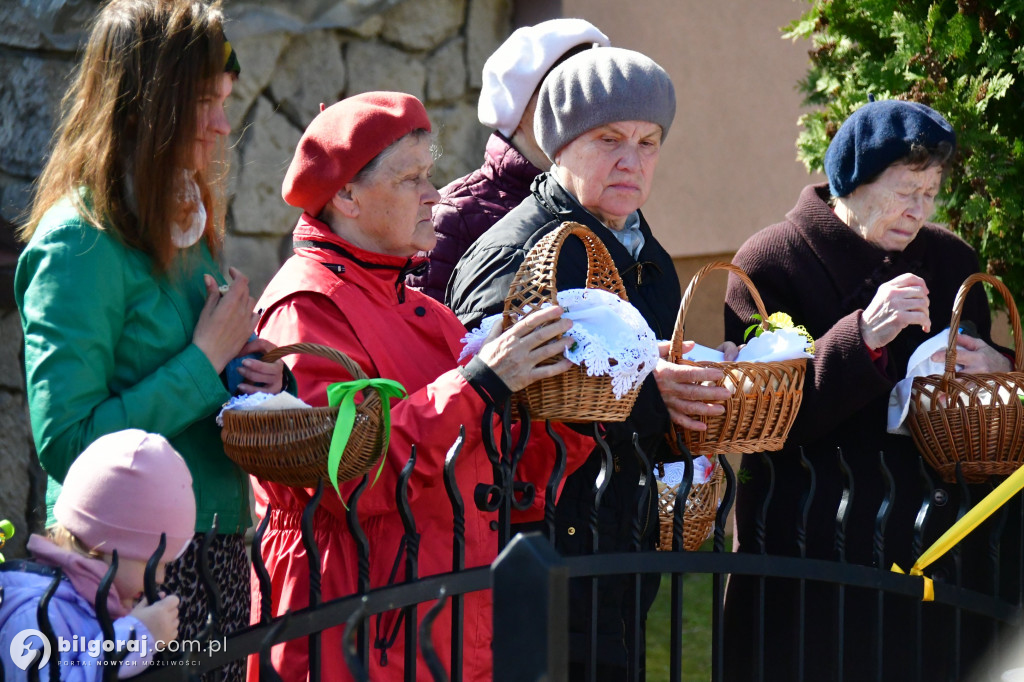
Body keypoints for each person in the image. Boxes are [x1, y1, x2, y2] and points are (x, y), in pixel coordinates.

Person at [251, 91, 592, 681]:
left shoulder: (428, 314)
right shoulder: (305, 308)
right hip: (354, 627)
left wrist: (577, 397)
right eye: (411, 180)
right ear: (347, 197)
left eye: (427, 176)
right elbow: (347, 479)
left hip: (442, 624)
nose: (434, 195)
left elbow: (503, 475)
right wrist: (480, 383)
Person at [446, 47, 735, 681]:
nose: (633, 160)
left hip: (622, 547)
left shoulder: (648, 254)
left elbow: (650, 378)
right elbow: (496, 389)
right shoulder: (516, 251)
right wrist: (654, 391)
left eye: (648, 142)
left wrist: (703, 390)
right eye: (609, 139)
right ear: (559, 145)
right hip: (535, 545)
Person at [14, 2, 284, 680]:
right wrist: (204, 360)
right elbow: (68, 443)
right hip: (130, 571)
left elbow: (194, 379)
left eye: (223, 101)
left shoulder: (183, 218)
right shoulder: (77, 243)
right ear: (145, 107)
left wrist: (250, 377)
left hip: (214, 551)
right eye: (203, 103)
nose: (222, 125)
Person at [721, 99, 1014, 681]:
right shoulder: (772, 260)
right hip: (811, 559)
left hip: (936, 556)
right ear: (852, 180)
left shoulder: (952, 262)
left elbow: (981, 408)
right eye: (906, 190)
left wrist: (997, 368)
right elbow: (762, 417)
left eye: (931, 193)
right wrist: (863, 338)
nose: (919, 209)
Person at [406, 18, 609, 300]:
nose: (587, 108)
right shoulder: (453, 218)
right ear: (520, 106)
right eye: (564, 92)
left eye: (597, 93)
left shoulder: (607, 202)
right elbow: (427, 325)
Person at [0, 430, 196, 680]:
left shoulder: (97, 601)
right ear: (103, 544)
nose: (160, 578)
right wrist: (135, 637)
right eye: (153, 562)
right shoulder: (38, 613)